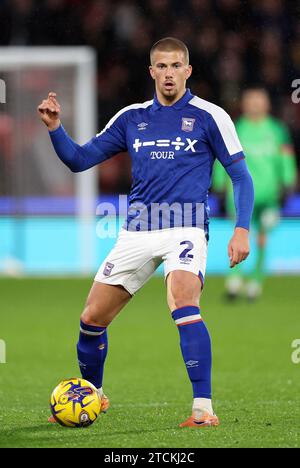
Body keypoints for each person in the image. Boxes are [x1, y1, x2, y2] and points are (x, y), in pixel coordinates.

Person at [38, 37, 254, 428]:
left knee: (183, 303)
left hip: (186, 227)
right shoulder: (131, 118)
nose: (168, 73)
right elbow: (79, 159)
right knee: (91, 319)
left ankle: (203, 409)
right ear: (151, 71)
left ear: (188, 71)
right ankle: (93, 396)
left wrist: (241, 228)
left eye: (176, 66)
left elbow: (240, 176)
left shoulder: (210, 116)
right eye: (161, 66)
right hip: (137, 231)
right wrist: (56, 128)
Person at [213, 87, 297, 301]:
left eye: (259, 100)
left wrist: (288, 182)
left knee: (261, 238)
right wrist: (219, 182)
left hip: (269, 194)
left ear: (267, 104)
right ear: (244, 104)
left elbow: (285, 157)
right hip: (239, 194)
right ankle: (235, 279)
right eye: (251, 100)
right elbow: (224, 157)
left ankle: (256, 282)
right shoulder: (236, 128)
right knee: (239, 234)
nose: (255, 104)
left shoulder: (277, 130)